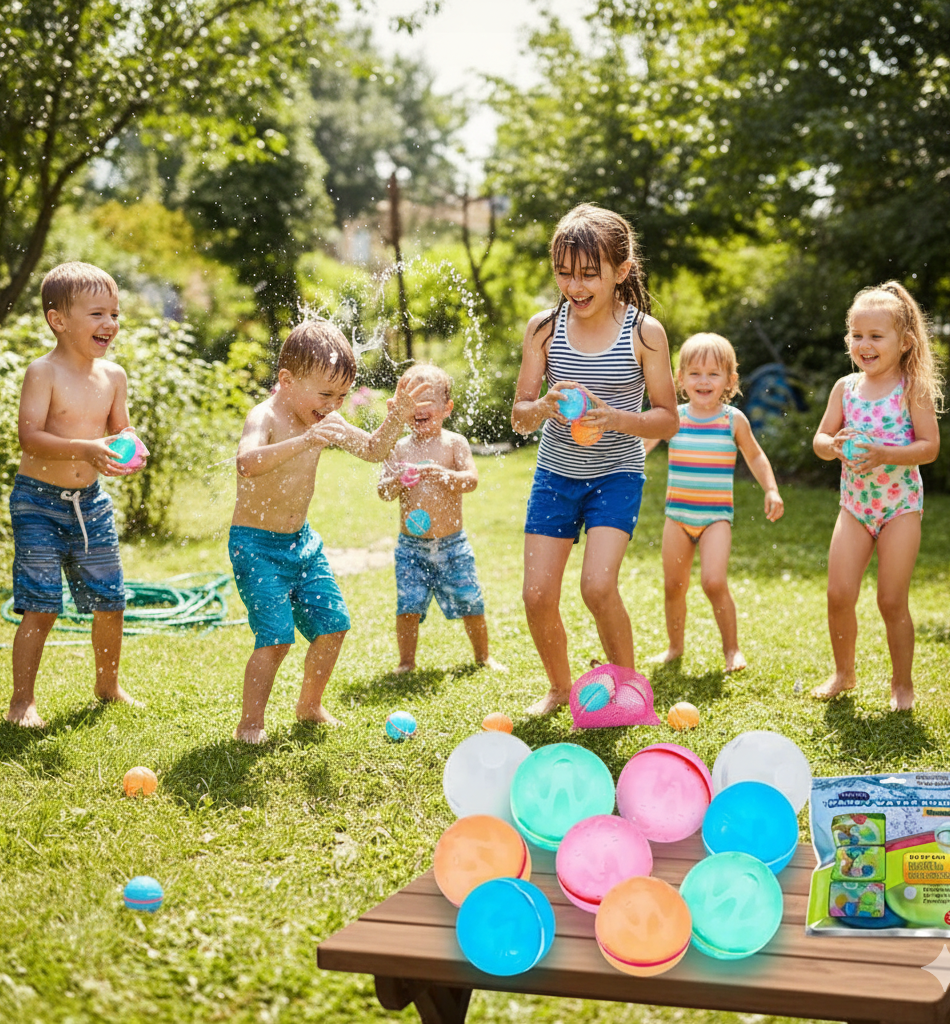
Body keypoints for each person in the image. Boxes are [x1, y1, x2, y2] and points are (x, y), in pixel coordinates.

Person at [511, 204, 679, 715]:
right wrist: (541, 406)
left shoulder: (644, 332)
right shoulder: (544, 328)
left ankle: (630, 690)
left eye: (588, 274)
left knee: (597, 585)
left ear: (620, 272)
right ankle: (561, 689)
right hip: (555, 475)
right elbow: (520, 415)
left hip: (617, 475)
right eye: (564, 272)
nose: (574, 286)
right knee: (536, 596)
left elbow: (668, 417)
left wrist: (615, 418)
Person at [229, 320, 430, 743]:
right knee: (276, 636)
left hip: (301, 542)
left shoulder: (326, 420)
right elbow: (247, 462)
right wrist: (305, 441)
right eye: (325, 395)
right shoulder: (264, 416)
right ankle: (250, 723)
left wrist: (395, 418)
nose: (334, 406)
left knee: (333, 625)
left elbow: (375, 450)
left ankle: (309, 705)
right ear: (286, 380)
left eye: (341, 396)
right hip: (256, 545)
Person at [8, 262, 139, 728]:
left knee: (111, 600)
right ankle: (22, 702)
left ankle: (108, 685)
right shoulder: (42, 372)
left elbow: (119, 431)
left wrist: (129, 450)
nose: (110, 324)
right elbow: (30, 438)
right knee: (40, 604)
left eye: (115, 314)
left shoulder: (114, 376)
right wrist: (86, 447)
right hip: (37, 503)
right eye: (98, 314)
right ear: (58, 320)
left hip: (91, 504)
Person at [811, 281, 943, 710]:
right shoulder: (844, 388)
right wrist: (831, 446)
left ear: (904, 343)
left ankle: (901, 684)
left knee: (890, 599)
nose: (863, 345)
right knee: (838, 593)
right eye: (856, 335)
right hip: (856, 507)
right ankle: (843, 673)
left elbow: (929, 447)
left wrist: (885, 452)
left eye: (875, 336)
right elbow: (820, 438)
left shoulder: (911, 388)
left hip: (900, 506)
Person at [651, 333, 784, 672]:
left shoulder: (733, 420)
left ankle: (732, 650)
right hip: (677, 516)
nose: (704, 381)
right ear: (680, 379)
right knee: (673, 586)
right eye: (695, 373)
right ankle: (674, 648)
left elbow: (754, 456)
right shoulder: (673, 418)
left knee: (713, 581)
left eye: (713, 373)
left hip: (715, 519)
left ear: (730, 380)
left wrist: (770, 489)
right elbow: (640, 447)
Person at [377, 363, 502, 674]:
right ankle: (406, 662)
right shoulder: (399, 447)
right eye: (410, 401)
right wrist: (395, 483)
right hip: (411, 548)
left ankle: (483, 657)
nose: (418, 408)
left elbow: (471, 480)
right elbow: (383, 491)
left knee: (471, 602)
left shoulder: (454, 443)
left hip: (452, 545)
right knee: (408, 607)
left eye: (426, 400)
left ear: (447, 408)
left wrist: (447, 476)